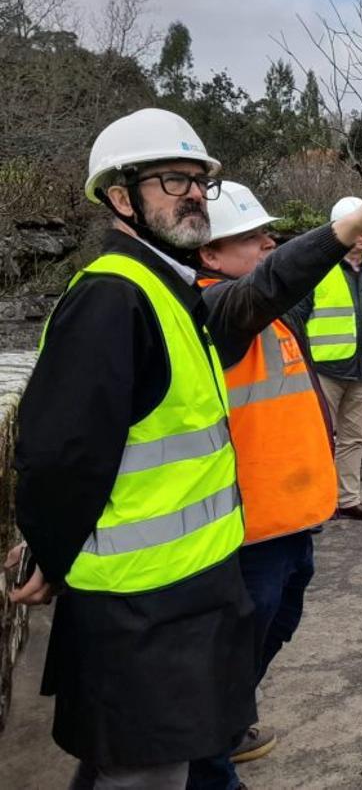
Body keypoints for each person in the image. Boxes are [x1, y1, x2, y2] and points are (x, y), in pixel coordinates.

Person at [6, 108, 255, 789]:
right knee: (139, 776)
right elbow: (58, 458)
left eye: (200, 179)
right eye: (175, 179)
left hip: (176, 600)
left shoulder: (168, 289)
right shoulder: (114, 298)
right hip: (138, 612)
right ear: (121, 196)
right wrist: (47, 551)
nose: (197, 193)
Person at [189, 176, 362, 787]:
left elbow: (292, 284)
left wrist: (359, 244)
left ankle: (227, 721)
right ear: (209, 255)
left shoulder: (265, 309)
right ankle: (208, 762)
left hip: (289, 519)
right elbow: (274, 282)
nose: (269, 244)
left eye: (270, 234)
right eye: (252, 237)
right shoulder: (214, 309)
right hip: (248, 528)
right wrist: (344, 227)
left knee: (275, 626)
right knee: (231, 652)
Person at [293, 196, 362, 522]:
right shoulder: (317, 268)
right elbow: (296, 317)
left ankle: (347, 500)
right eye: (358, 226)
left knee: (353, 440)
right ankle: (314, 504)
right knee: (315, 439)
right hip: (323, 368)